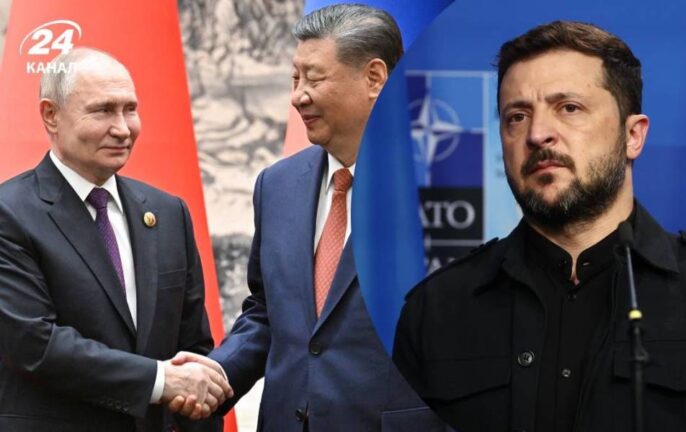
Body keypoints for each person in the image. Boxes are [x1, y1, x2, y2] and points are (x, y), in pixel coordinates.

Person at [393, 21, 686, 432]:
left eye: (568, 108)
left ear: (633, 136)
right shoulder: (435, 310)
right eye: (517, 116)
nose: (537, 134)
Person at [171, 4, 446, 432]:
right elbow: (267, 312)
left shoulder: (450, 184)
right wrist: (218, 373)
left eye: (314, 79)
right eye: (294, 79)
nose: (298, 96)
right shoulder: (278, 185)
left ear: (375, 78)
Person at [0, 47, 232, 431]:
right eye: (103, 111)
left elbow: (193, 348)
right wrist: (159, 381)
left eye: (130, 109)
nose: (123, 128)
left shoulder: (169, 213)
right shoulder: (10, 214)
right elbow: (33, 343)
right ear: (51, 115)